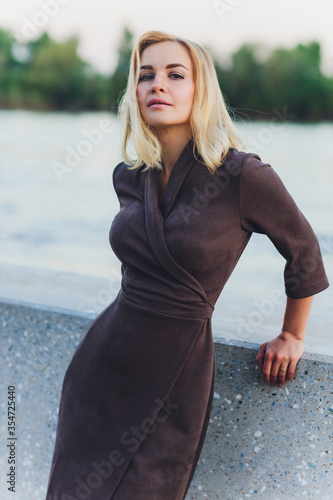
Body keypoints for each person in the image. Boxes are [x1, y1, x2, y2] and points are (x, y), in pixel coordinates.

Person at [45, 30, 329, 499]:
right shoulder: (131, 177)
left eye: (176, 75)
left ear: (201, 91)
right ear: (134, 95)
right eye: (146, 76)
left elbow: (304, 252)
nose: (158, 84)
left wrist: (293, 335)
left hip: (175, 377)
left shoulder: (243, 175)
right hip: (101, 370)